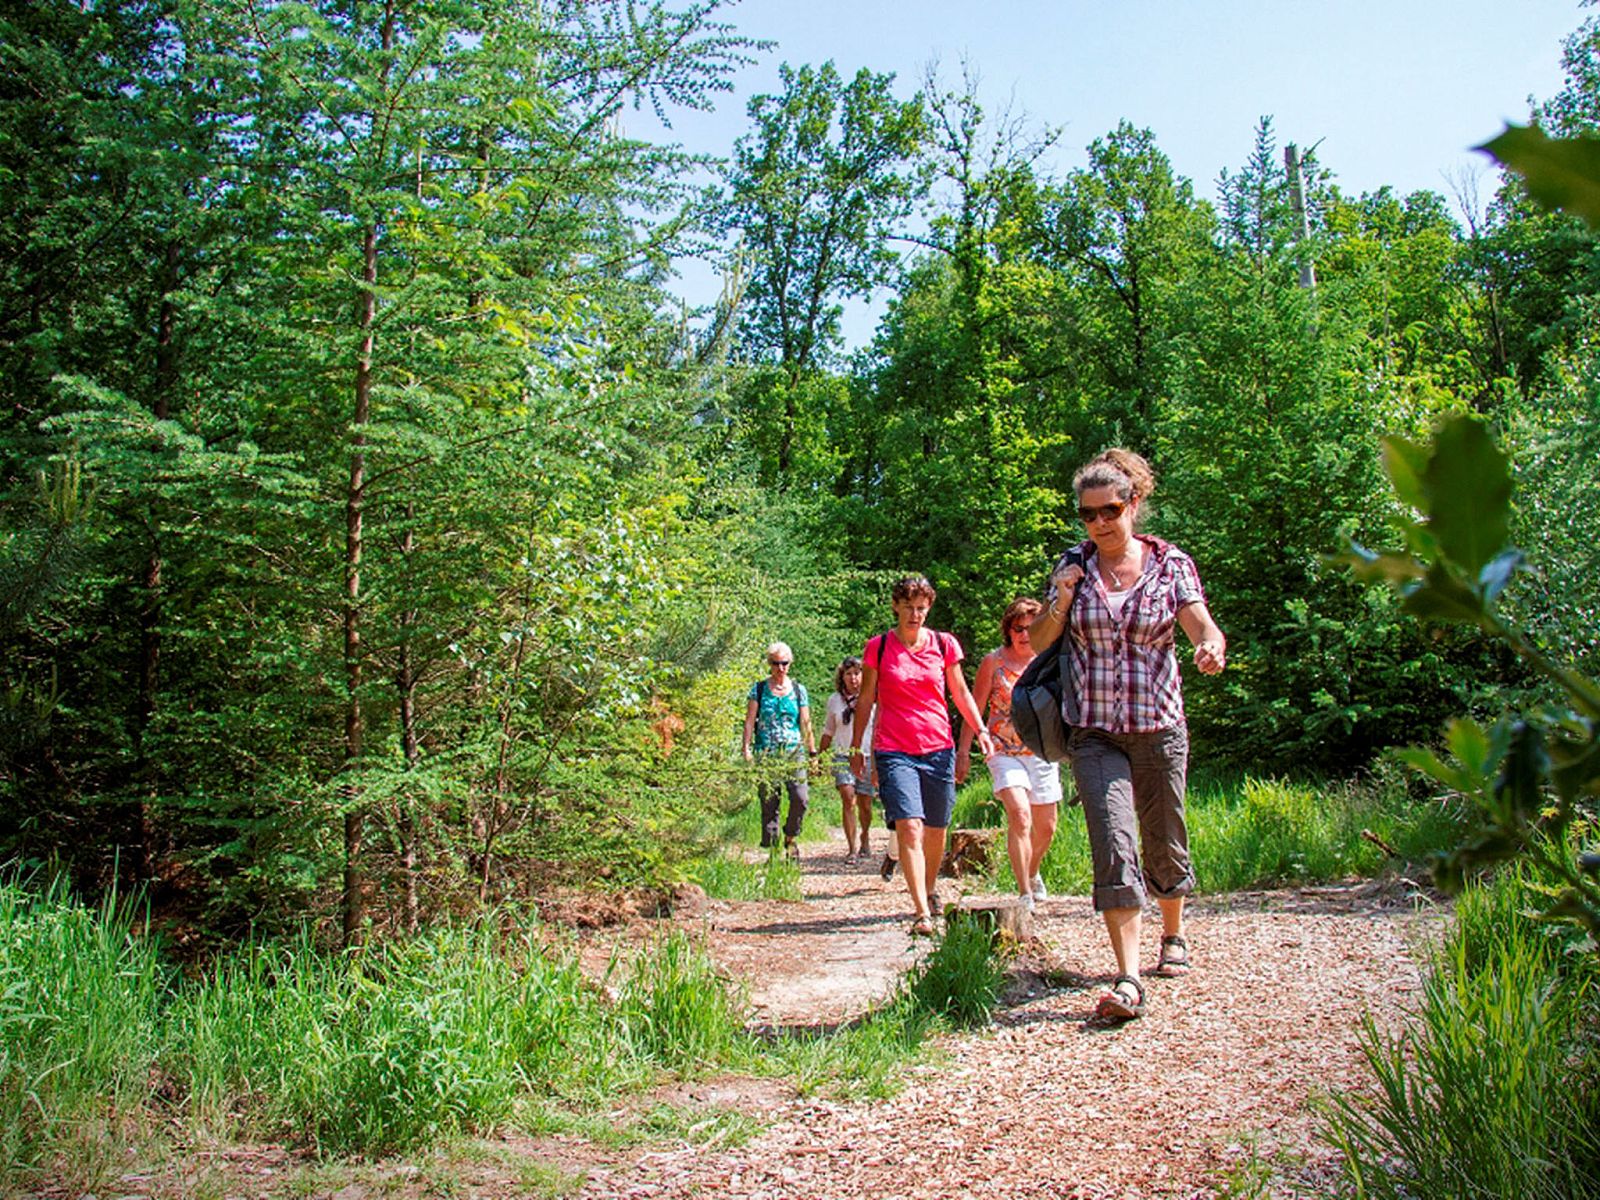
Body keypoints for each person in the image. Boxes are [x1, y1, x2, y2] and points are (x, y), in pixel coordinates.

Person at [1027, 448, 1225, 1021]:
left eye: (1109, 511)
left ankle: (1173, 932)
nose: (1098, 524)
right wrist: (1060, 599)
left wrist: (1208, 644)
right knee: (1113, 843)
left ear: (1132, 504)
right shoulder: (1073, 566)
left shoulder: (1171, 564)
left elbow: (1197, 619)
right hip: (1093, 731)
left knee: (1163, 839)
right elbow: (1040, 642)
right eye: (1087, 515)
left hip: (1158, 725)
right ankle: (1128, 977)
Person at [849, 575, 996, 936]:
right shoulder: (879, 648)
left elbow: (960, 691)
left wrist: (981, 731)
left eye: (921, 608)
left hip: (938, 747)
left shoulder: (944, 645)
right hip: (894, 748)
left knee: (936, 828)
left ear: (929, 608)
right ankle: (920, 912)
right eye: (909, 607)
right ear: (896, 606)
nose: (915, 615)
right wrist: (856, 748)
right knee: (909, 826)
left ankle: (929, 888)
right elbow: (866, 699)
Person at [957, 597, 1063, 912]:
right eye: (1018, 628)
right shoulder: (994, 662)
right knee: (1019, 814)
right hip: (1002, 748)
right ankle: (1023, 893)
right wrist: (964, 749)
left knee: (1047, 827)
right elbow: (972, 707)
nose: (1024, 635)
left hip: (1042, 749)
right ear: (1008, 630)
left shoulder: (1048, 661)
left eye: (1031, 628)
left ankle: (1032, 871)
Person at [741, 641, 816, 857]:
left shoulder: (799, 690)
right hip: (766, 752)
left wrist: (812, 753)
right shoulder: (759, 689)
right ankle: (772, 850)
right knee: (769, 801)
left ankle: (791, 836)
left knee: (800, 798)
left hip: (793, 751)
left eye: (784, 663)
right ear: (769, 663)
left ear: (790, 663)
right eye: (775, 663)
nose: (780, 668)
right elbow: (749, 721)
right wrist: (746, 749)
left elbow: (805, 722)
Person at [816, 656, 876, 863]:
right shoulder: (834, 700)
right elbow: (828, 730)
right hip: (843, 754)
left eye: (857, 673)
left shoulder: (872, 698)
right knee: (847, 796)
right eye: (848, 674)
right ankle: (852, 848)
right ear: (842, 677)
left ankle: (865, 836)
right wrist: (819, 757)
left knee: (865, 803)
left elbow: (879, 730)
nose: (853, 678)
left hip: (868, 754)